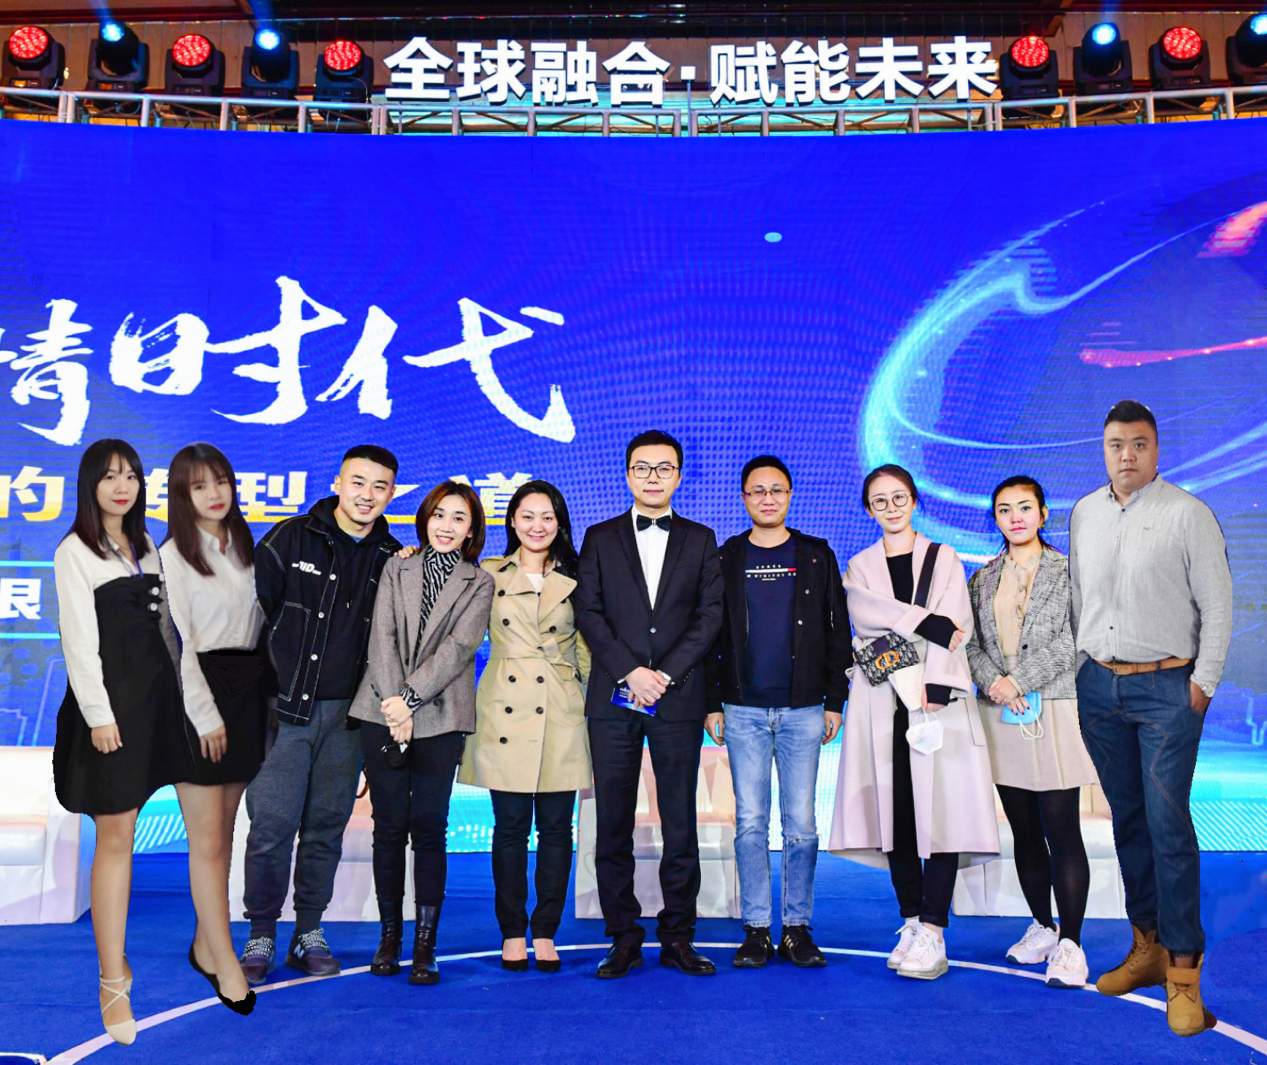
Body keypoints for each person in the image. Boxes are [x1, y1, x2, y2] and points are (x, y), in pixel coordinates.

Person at [1069, 400, 1232, 1037]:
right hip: (1099, 688)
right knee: (1129, 822)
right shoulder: (1084, 512)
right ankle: (1148, 948)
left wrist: (1202, 684)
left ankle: (1185, 973)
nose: (1127, 455)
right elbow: (1081, 599)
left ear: (1156, 449)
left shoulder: (1188, 514)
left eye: (1139, 444)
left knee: (1167, 826)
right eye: (1116, 445)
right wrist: (1082, 669)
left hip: (1168, 688)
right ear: (1103, 449)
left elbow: (1218, 605)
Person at [828, 464, 998, 981]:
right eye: (879, 501)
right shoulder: (859, 566)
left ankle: (934, 929)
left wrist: (936, 682)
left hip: (936, 699)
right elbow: (864, 617)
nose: (891, 508)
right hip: (883, 700)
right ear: (868, 509)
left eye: (898, 497)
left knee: (941, 813)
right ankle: (910, 921)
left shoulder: (944, 557)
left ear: (914, 500)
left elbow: (957, 626)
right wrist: (926, 624)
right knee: (897, 815)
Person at [239, 446, 402, 984]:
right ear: (337, 482)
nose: (367, 495)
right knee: (271, 827)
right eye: (358, 482)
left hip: (350, 720)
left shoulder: (393, 558)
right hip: (281, 713)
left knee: (326, 829)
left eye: (379, 486)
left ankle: (308, 930)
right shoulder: (289, 539)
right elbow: (245, 620)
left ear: (391, 494)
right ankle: (262, 932)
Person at [52, 439, 194, 1045]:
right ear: (90, 483)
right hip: (107, 716)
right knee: (114, 837)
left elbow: (168, 634)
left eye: (132, 476)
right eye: (110, 476)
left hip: (158, 710)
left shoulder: (147, 546)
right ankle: (112, 979)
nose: (122, 486)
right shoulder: (73, 551)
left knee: (153, 828)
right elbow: (78, 643)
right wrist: (98, 716)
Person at [574, 429, 725, 979]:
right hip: (613, 699)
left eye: (664, 468)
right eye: (643, 467)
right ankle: (623, 936)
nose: (653, 477)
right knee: (611, 821)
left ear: (679, 476)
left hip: (677, 697)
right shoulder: (599, 537)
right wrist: (630, 671)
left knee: (679, 822)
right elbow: (588, 612)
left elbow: (710, 616)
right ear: (627, 474)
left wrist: (662, 675)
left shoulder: (702, 539)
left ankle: (679, 936)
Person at [706, 455, 850, 969]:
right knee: (749, 822)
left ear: (790, 496)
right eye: (757, 491)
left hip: (804, 708)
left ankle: (796, 928)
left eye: (777, 490)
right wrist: (711, 703)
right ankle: (755, 930)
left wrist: (834, 700)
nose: (767, 499)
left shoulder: (815, 554)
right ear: (744, 499)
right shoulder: (725, 557)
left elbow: (838, 631)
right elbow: (710, 635)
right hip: (741, 709)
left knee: (802, 825)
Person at [351, 481, 494, 985]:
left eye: (459, 518)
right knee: (389, 827)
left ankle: (424, 945)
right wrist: (396, 707)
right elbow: (382, 636)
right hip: (381, 710)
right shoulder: (398, 566)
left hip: (442, 716)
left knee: (430, 827)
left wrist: (409, 700)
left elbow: (459, 649)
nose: (446, 526)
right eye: (438, 515)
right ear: (425, 519)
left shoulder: (480, 582)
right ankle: (389, 938)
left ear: (472, 529)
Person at [965, 475, 1098, 989]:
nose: (1015, 517)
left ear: (1043, 514)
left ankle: (1072, 943)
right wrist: (995, 684)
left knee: (1060, 828)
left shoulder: (1069, 571)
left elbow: (1075, 638)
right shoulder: (982, 578)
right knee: (1022, 829)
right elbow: (969, 644)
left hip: (1054, 709)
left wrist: (1019, 681)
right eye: (1004, 509)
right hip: (1000, 713)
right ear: (995, 519)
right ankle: (1043, 926)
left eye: (1025, 507)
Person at [459, 480, 591, 973]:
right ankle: (512, 930)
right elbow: (456, 632)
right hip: (505, 706)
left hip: (561, 705)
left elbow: (587, 648)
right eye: (528, 516)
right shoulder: (487, 573)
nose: (538, 526)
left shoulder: (579, 576)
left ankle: (546, 930)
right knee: (510, 828)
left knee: (557, 829)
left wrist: (599, 706)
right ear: (512, 520)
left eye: (547, 517)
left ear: (560, 524)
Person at [161, 443, 270, 1014]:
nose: (214, 494)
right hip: (196, 697)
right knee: (205, 839)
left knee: (225, 833)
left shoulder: (248, 547)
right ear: (182, 494)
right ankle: (225, 962)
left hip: (248, 693)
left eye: (222, 481)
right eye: (199, 485)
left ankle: (206, 944)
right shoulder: (170, 556)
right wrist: (203, 714)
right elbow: (175, 644)